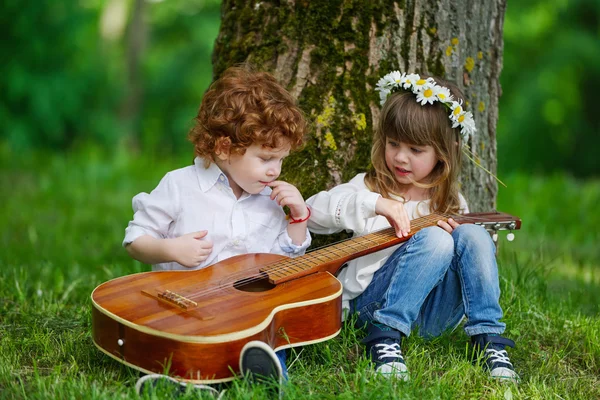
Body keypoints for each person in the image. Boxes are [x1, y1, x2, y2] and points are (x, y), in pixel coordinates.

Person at [306, 71, 518, 383]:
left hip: (431, 316)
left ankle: (488, 340)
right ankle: (384, 339)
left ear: (442, 154)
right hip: (372, 310)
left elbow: (464, 261)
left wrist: (467, 246)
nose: (401, 157)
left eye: (416, 150)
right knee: (435, 238)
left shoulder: (451, 202)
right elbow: (311, 214)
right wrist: (373, 204)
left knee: (472, 234)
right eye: (394, 144)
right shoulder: (369, 188)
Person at [123, 66, 312, 393]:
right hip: (184, 309)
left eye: (281, 160)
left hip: (245, 315)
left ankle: (254, 376)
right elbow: (134, 240)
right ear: (224, 149)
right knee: (183, 344)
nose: (275, 171)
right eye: (266, 158)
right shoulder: (181, 186)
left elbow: (281, 267)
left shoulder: (269, 199)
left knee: (266, 341)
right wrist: (171, 250)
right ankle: (187, 379)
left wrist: (298, 220)